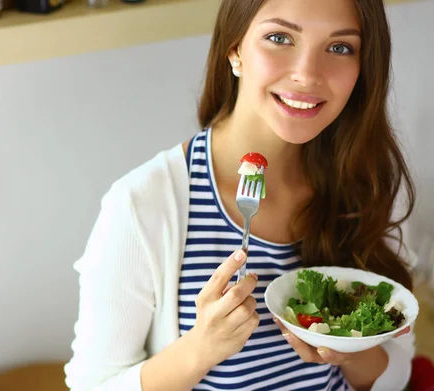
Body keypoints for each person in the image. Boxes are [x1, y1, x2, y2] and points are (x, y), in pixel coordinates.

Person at [64, 0, 418, 390]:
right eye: (279, 37)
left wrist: (351, 347)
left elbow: (396, 376)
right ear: (235, 50)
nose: (307, 75)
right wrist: (200, 349)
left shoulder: (366, 182)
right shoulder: (141, 206)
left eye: (339, 47)